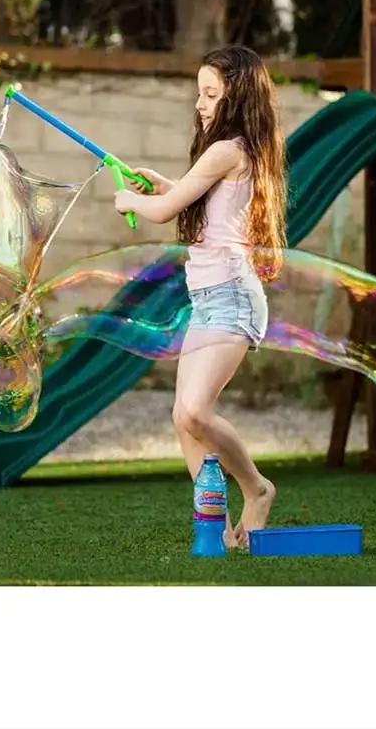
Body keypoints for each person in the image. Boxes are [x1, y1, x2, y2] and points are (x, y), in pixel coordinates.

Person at [113, 45, 288, 548]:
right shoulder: (237, 152)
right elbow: (206, 204)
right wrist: (167, 186)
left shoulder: (227, 150)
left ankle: (256, 488)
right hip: (210, 299)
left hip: (231, 297)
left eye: (210, 94)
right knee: (182, 417)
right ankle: (218, 527)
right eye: (199, 94)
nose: (200, 104)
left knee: (193, 412)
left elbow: (165, 211)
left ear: (237, 98)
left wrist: (131, 200)